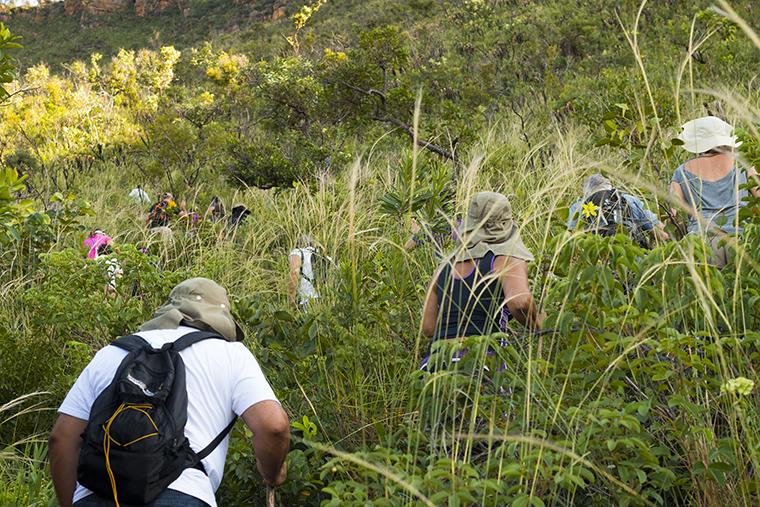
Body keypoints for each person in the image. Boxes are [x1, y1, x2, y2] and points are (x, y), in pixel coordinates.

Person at [49, 278, 290, 507]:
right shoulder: (231, 354)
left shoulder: (111, 352)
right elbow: (273, 425)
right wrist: (272, 473)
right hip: (183, 493)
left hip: (96, 493)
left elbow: (61, 439)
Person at [421, 192, 545, 370]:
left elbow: (428, 328)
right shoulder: (506, 259)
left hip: (436, 362)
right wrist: (538, 323)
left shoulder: (443, 267)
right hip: (482, 360)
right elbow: (520, 303)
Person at [669, 116, 760, 266]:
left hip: (702, 242)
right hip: (741, 239)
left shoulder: (681, 172)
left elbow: (673, 213)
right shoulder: (744, 164)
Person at [567, 174, 669, 245]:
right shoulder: (628, 199)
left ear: (586, 192)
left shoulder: (578, 207)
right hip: (634, 258)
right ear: (609, 186)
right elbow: (661, 234)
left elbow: (571, 238)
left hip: (597, 264)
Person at [288, 236, 331, 309]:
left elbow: (294, 273)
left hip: (310, 300)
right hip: (328, 301)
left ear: (298, 244)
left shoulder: (298, 252)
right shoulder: (326, 257)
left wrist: (291, 299)